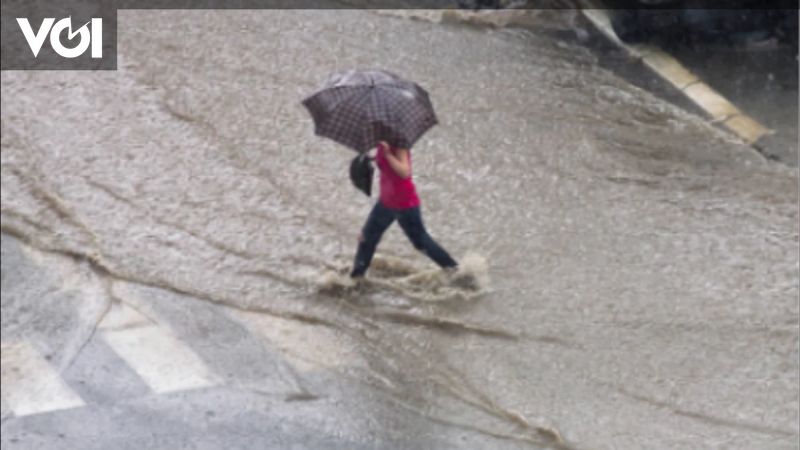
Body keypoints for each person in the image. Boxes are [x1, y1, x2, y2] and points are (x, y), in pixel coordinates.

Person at [350, 141, 458, 278]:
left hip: (404, 203)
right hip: (386, 202)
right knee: (367, 238)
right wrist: (369, 159)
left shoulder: (399, 142)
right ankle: (357, 277)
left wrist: (388, 154)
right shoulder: (382, 142)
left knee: (420, 242)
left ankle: (454, 270)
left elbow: (404, 172)